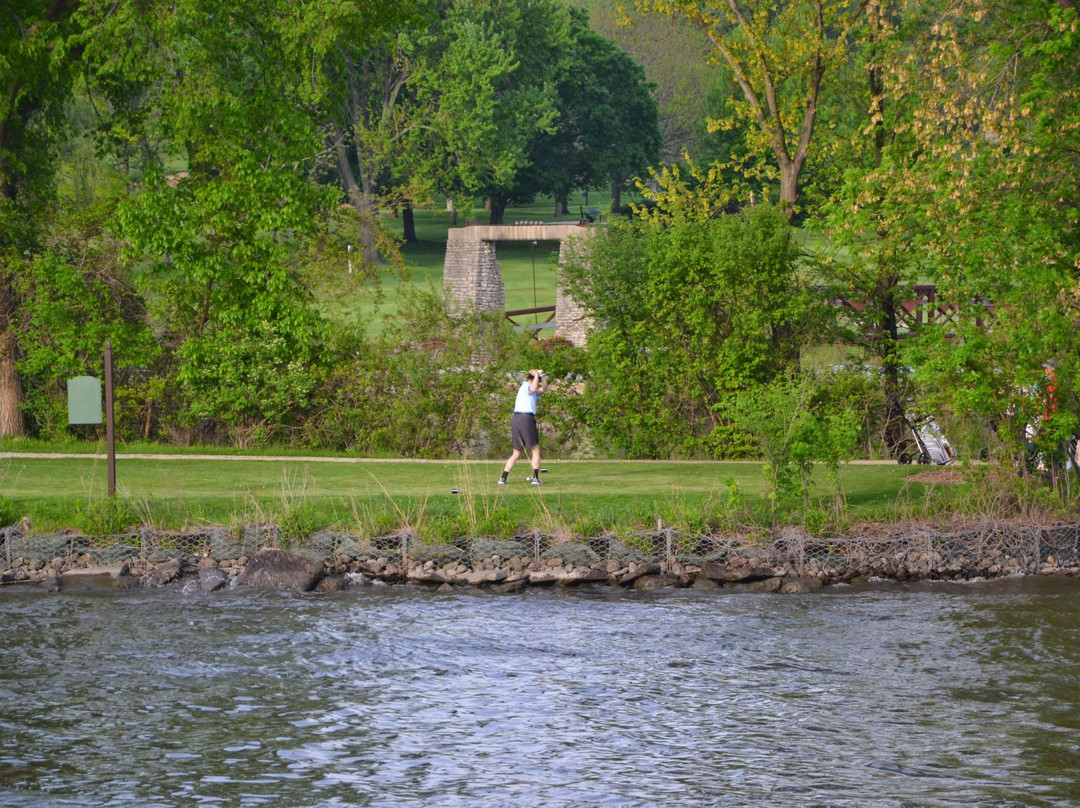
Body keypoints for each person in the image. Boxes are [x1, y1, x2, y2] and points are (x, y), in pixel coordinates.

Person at [499, 369, 547, 486]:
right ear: (534, 380)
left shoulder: (530, 391)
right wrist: (537, 376)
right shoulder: (527, 386)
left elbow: (544, 389)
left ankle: (503, 477)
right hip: (525, 419)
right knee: (535, 449)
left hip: (517, 419)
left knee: (516, 453)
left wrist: (543, 377)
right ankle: (535, 478)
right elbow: (533, 388)